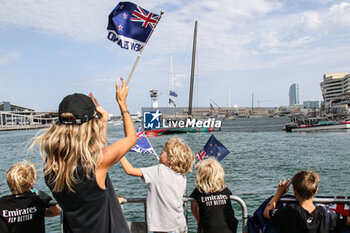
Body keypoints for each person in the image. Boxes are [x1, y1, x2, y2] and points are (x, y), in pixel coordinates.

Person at [31, 78, 137, 233]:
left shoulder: (52, 165)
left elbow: (89, 151)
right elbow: (131, 139)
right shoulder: (98, 162)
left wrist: (103, 122)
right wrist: (123, 105)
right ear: (90, 125)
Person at [119, 136, 195, 233]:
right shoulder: (182, 176)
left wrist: (119, 153)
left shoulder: (158, 170)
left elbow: (130, 170)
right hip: (180, 224)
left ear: (170, 159)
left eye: (163, 152)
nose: (160, 153)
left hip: (163, 227)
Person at [263, 170, 350, 233]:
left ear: (294, 191)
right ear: (316, 191)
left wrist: (278, 193)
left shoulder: (290, 211)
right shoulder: (327, 215)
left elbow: (266, 213)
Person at [0, 161, 60, 233]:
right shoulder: (39, 197)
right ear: (32, 183)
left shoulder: (2, 203)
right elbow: (56, 211)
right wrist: (37, 213)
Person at [190, 157, 238, 233]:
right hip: (229, 228)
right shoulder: (225, 190)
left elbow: (193, 208)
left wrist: (198, 220)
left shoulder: (199, 191)